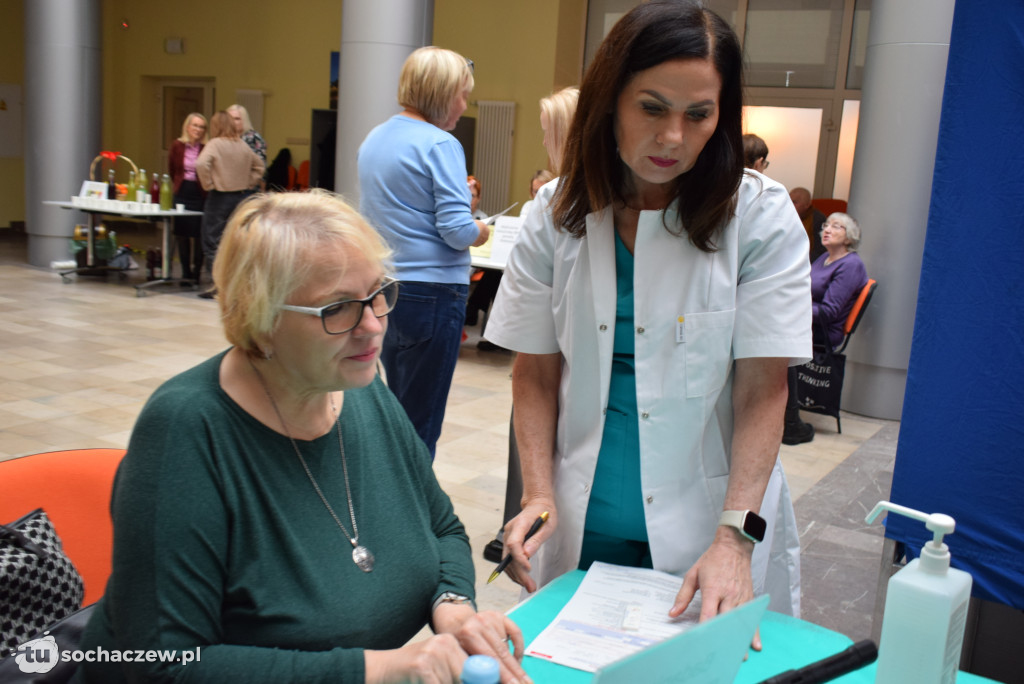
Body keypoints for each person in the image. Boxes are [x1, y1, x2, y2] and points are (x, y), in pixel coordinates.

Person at [75, 191, 528, 684]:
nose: (373, 326)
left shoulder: (359, 388)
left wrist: (455, 608)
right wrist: (377, 669)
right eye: (337, 309)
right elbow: (162, 666)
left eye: (379, 292)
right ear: (260, 318)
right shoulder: (185, 430)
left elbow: (442, 529)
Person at [485, 0, 811, 627]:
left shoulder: (762, 218)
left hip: (710, 524)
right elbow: (534, 371)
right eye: (652, 108)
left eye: (698, 115)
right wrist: (538, 493)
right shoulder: (554, 215)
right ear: (610, 101)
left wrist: (734, 539)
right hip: (583, 518)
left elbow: (763, 390)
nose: (673, 138)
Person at [357, 46, 489, 459]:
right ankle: (408, 517)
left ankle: (387, 502)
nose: (464, 106)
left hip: (387, 288)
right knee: (420, 425)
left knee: (396, 411)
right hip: (433, 293)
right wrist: (481, 230)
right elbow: (455, 231)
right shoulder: (440, 144)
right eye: (462, 95)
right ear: (442, 93)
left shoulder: (375, 137)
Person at [784, 212, 868, 445]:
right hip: (807, 321)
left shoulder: (851, 265)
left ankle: (790, 422)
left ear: (849, 238)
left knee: (780, 342)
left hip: (824, 330)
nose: (827, 230)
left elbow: (829, 312)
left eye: (837, 226)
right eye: (826, 225)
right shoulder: (823, 259)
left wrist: (792, 306)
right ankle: (783, 416)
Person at [194, 111, 264, 297]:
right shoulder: (242, 145)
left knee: (212, 241)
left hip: (219, 197)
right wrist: (250, 182)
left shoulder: (215, 144)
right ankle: (234, 286)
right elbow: (260, 166)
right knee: (234, 242)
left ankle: (216, 286)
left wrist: (208, 183)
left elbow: (201, 164)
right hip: (240, 198)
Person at [168, 112, 207, 282]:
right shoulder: (177, 146)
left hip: (200, 193)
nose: (198, 130)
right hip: (182, 191)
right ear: (187, 127)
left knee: (198, 234)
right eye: (195, 125)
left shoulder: (206, 147)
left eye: (201, 127)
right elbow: (171, 169)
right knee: (182, 233)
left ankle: (197, 271)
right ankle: (185, 272)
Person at [790, 186, 827, 262]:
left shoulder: (818, 219)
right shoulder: (783, 216)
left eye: (794, 202)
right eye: (788, 201)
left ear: (807, 205)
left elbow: (820, 250)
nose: (789, 204)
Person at [227, 103, 268, 171]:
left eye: (237, 119)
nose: (232, 122)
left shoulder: (253, 137)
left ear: (244, 120)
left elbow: (261, 165)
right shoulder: (223, 138)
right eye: (230, 118)